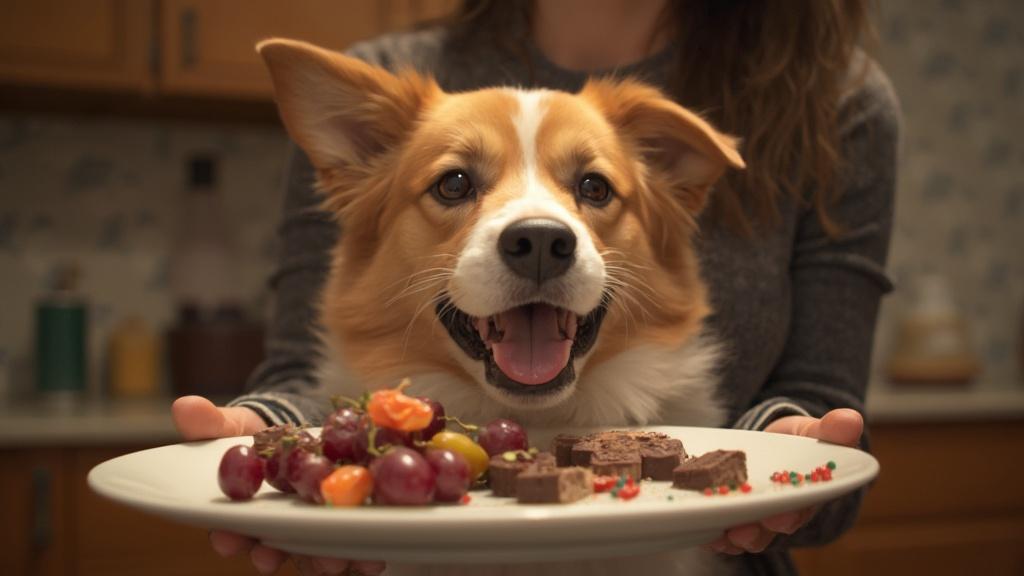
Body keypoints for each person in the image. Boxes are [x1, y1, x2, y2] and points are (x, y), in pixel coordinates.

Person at [172, 0, 898, 574]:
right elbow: (304, 370)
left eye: (591, 187)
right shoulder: (387, 84)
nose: (540, 233)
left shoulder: (839, 99)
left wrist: (789, 449)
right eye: (456, 184)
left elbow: (823, 419)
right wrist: (271, 434)